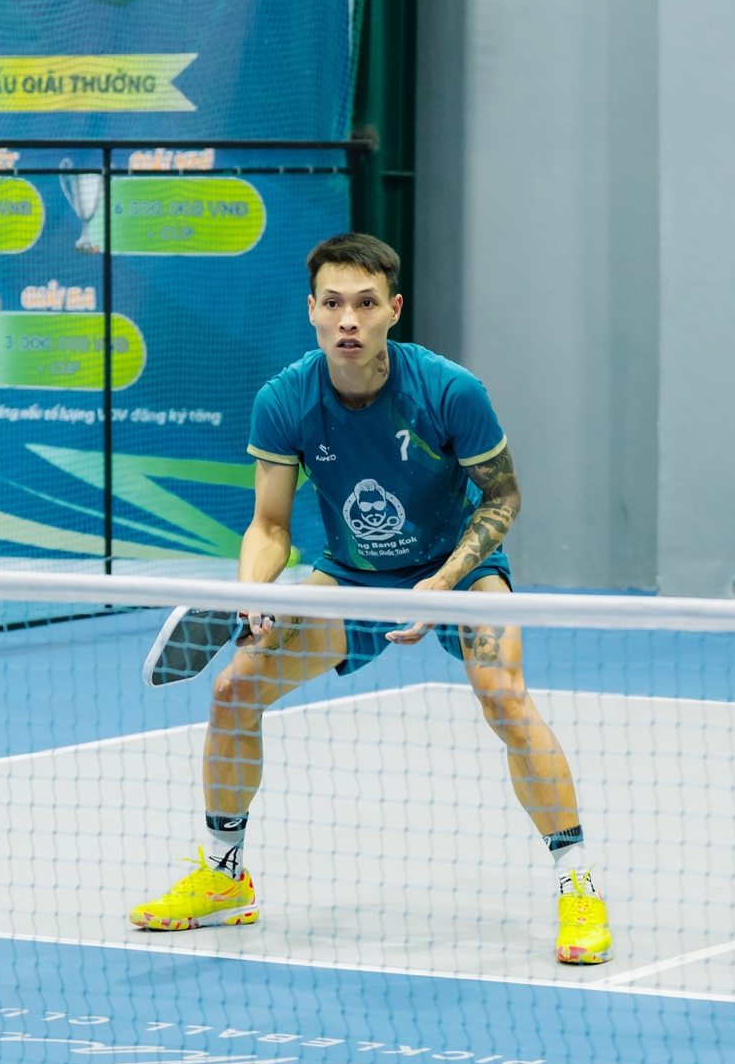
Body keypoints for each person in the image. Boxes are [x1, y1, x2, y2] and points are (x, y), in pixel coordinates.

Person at [131, 232, 611, 966]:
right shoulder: (285, 399)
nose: (348, 319)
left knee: (505, 696)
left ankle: (577, 884)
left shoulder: (450, 391)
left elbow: (503, 495)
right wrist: (252, 593)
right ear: (312, 311)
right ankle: (226, 877)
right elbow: (269, 525)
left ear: (393, 309)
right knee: (233, 691)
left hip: (455, 570)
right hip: (351, 577)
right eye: (332, 304)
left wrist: (444, 583)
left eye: (364, 303)